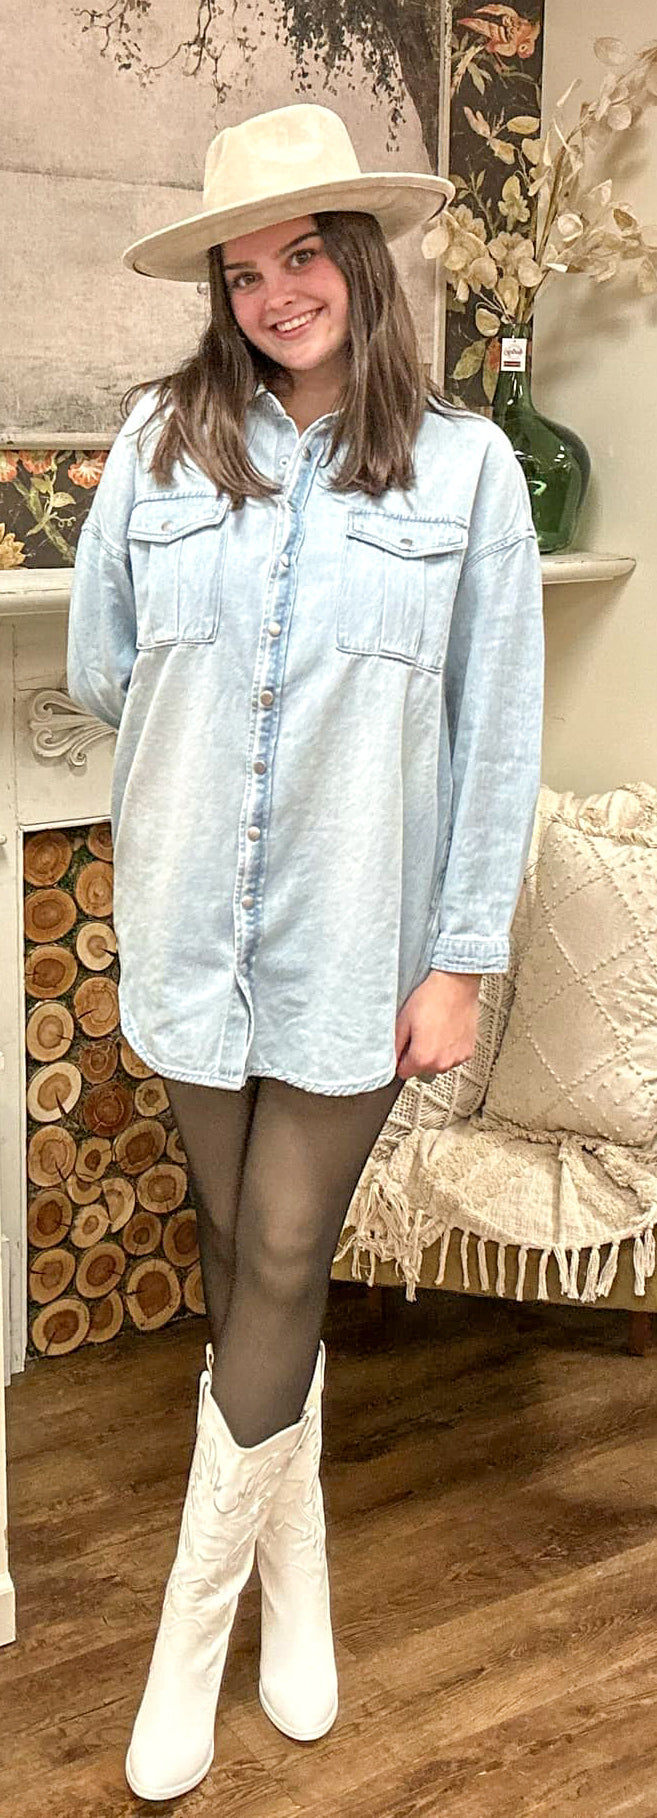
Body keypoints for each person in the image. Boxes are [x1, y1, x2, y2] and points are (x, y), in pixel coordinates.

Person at [66, 102, 545, 1802]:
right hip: (191, 927)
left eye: (304, 254)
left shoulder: (467, 470)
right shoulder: (157, 443)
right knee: (232, 1242)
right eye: (243, 269)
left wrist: (458, 959)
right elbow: (109, 666)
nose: (276, 292)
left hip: (358, 943)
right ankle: (300, 1569)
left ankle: (187, 1633)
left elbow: (494, 739)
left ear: (361, 255)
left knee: (279, 1246)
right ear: (220, 289)